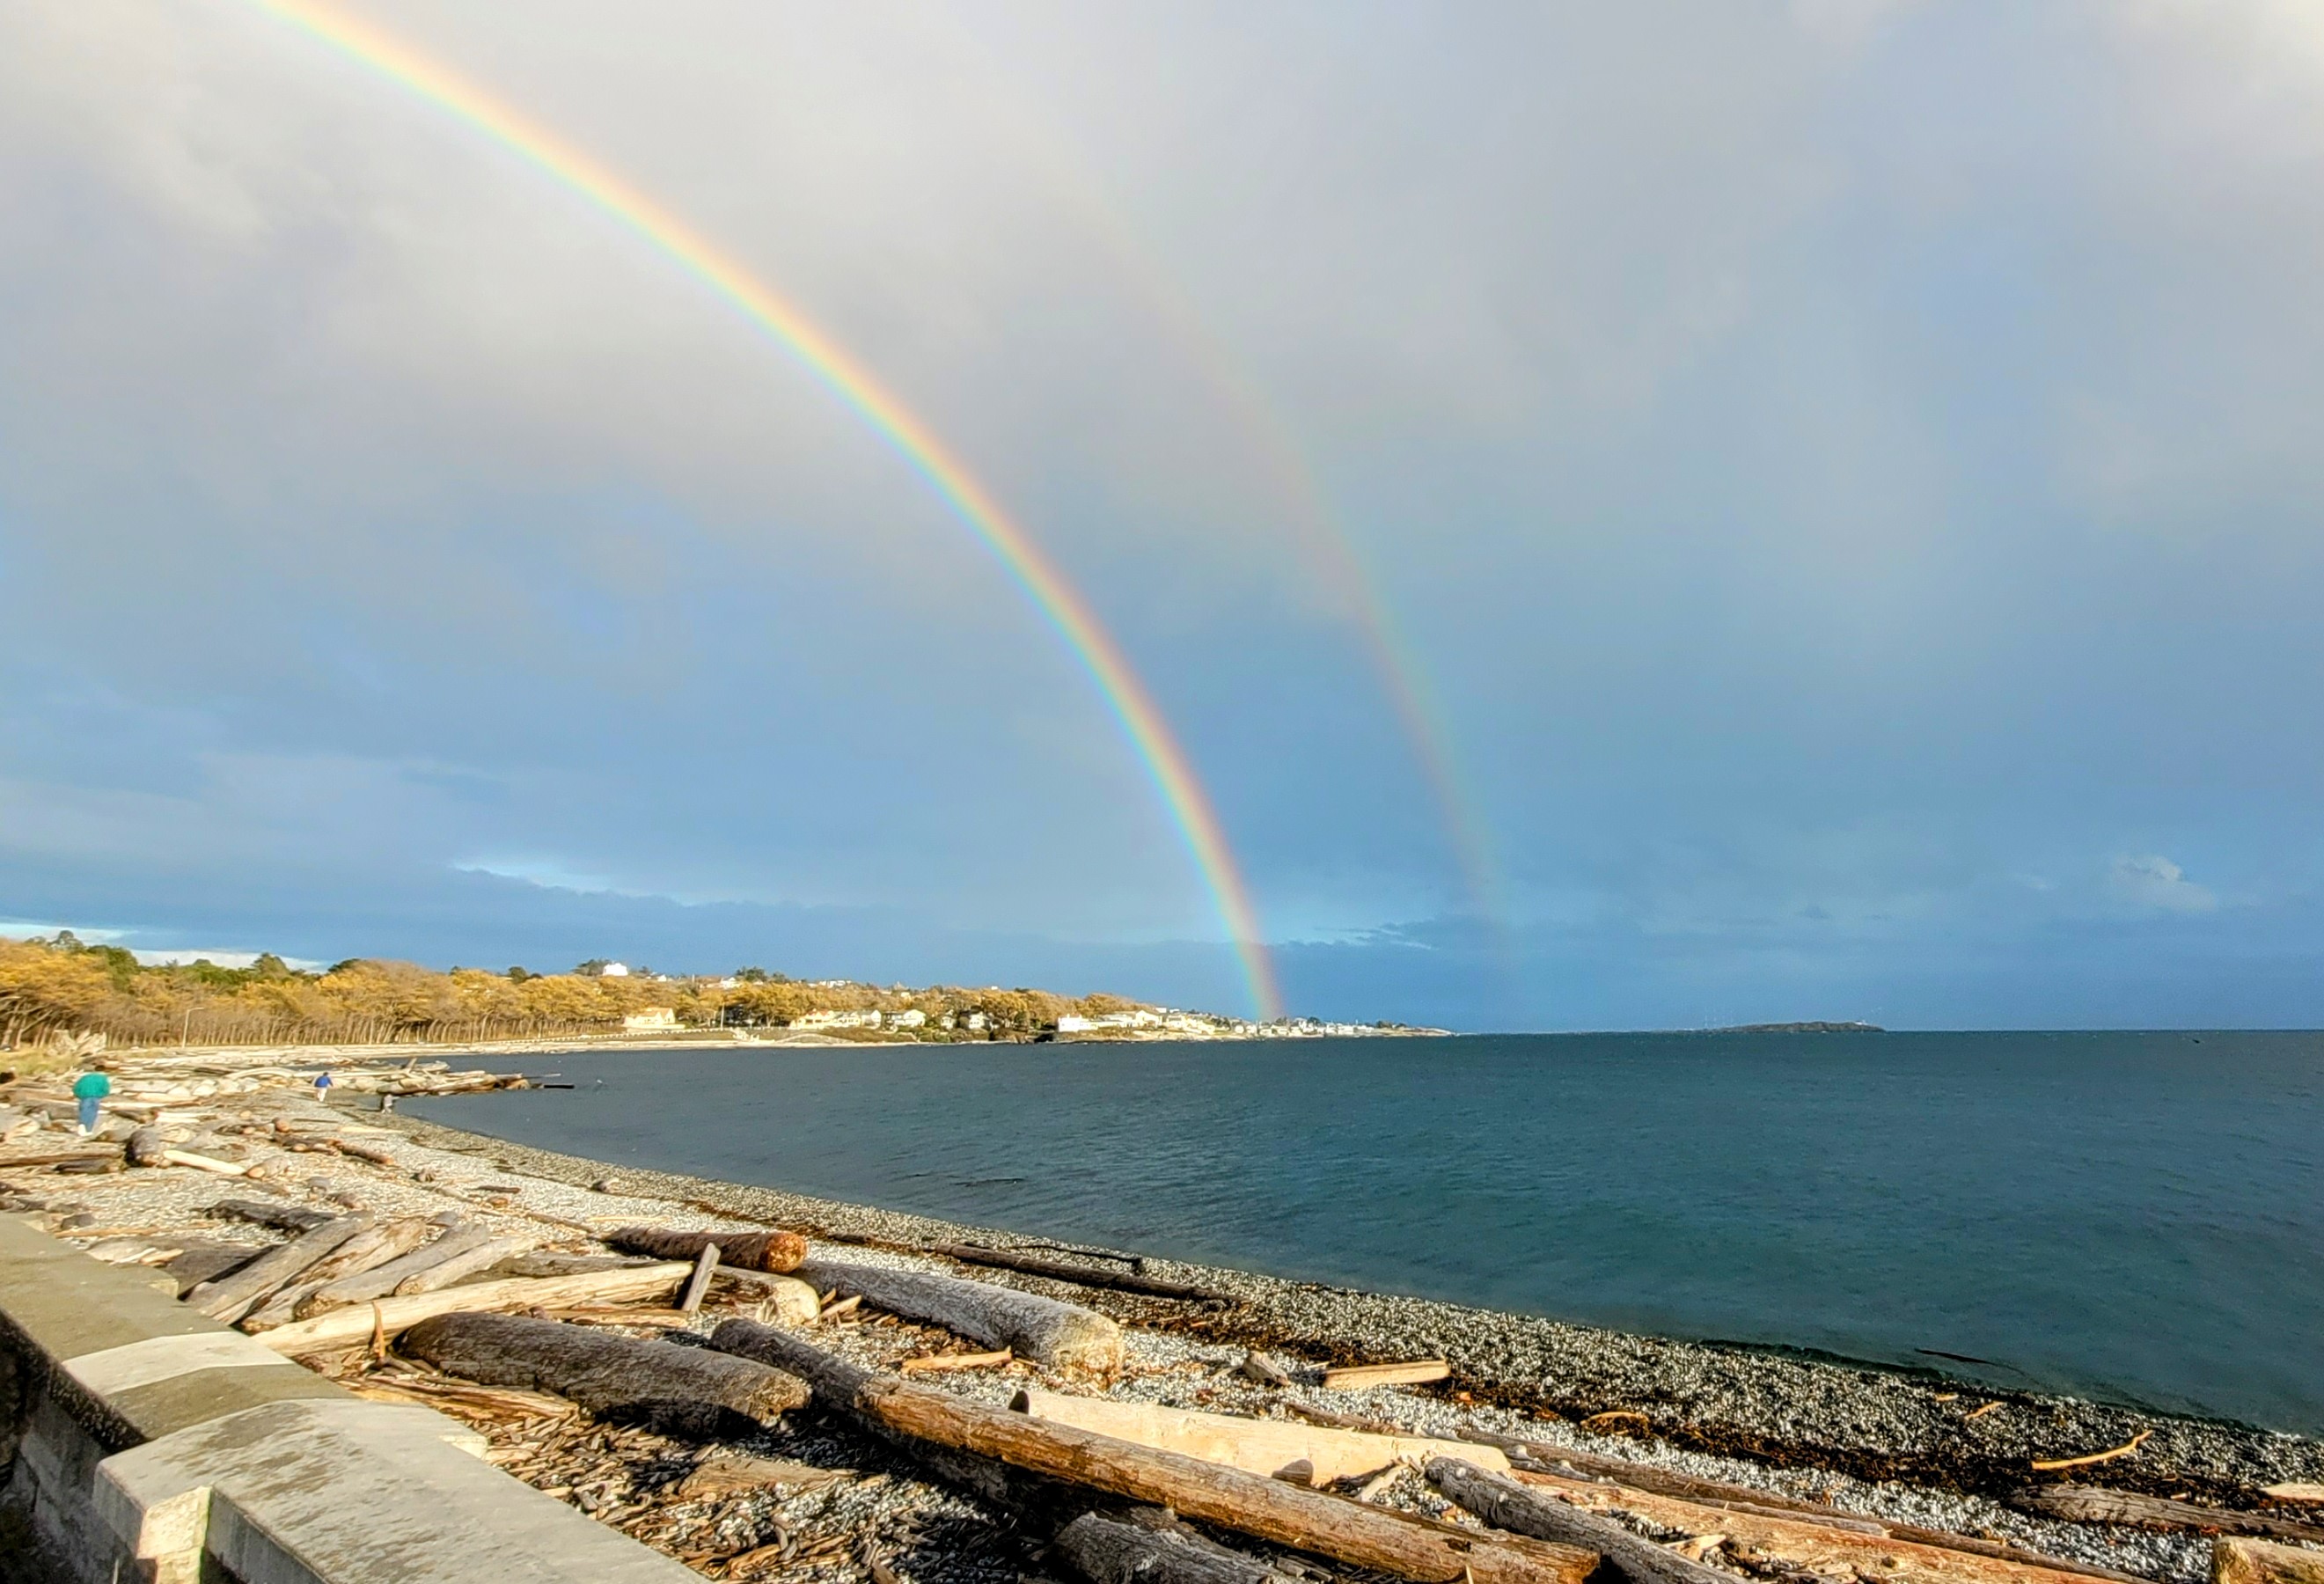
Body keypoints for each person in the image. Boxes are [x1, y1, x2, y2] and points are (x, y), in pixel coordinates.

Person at [72, 1063, 110, 1135]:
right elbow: (105, 1089)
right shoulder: (103, 1079)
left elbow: (77, 1087)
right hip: (95, 1097)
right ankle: (88, 1129)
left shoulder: (85, 1077)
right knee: (92, 1113)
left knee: (83, 1111)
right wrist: (103, 1095)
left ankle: (81, 1125)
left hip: (84, 1097)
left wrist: (77, 1094)